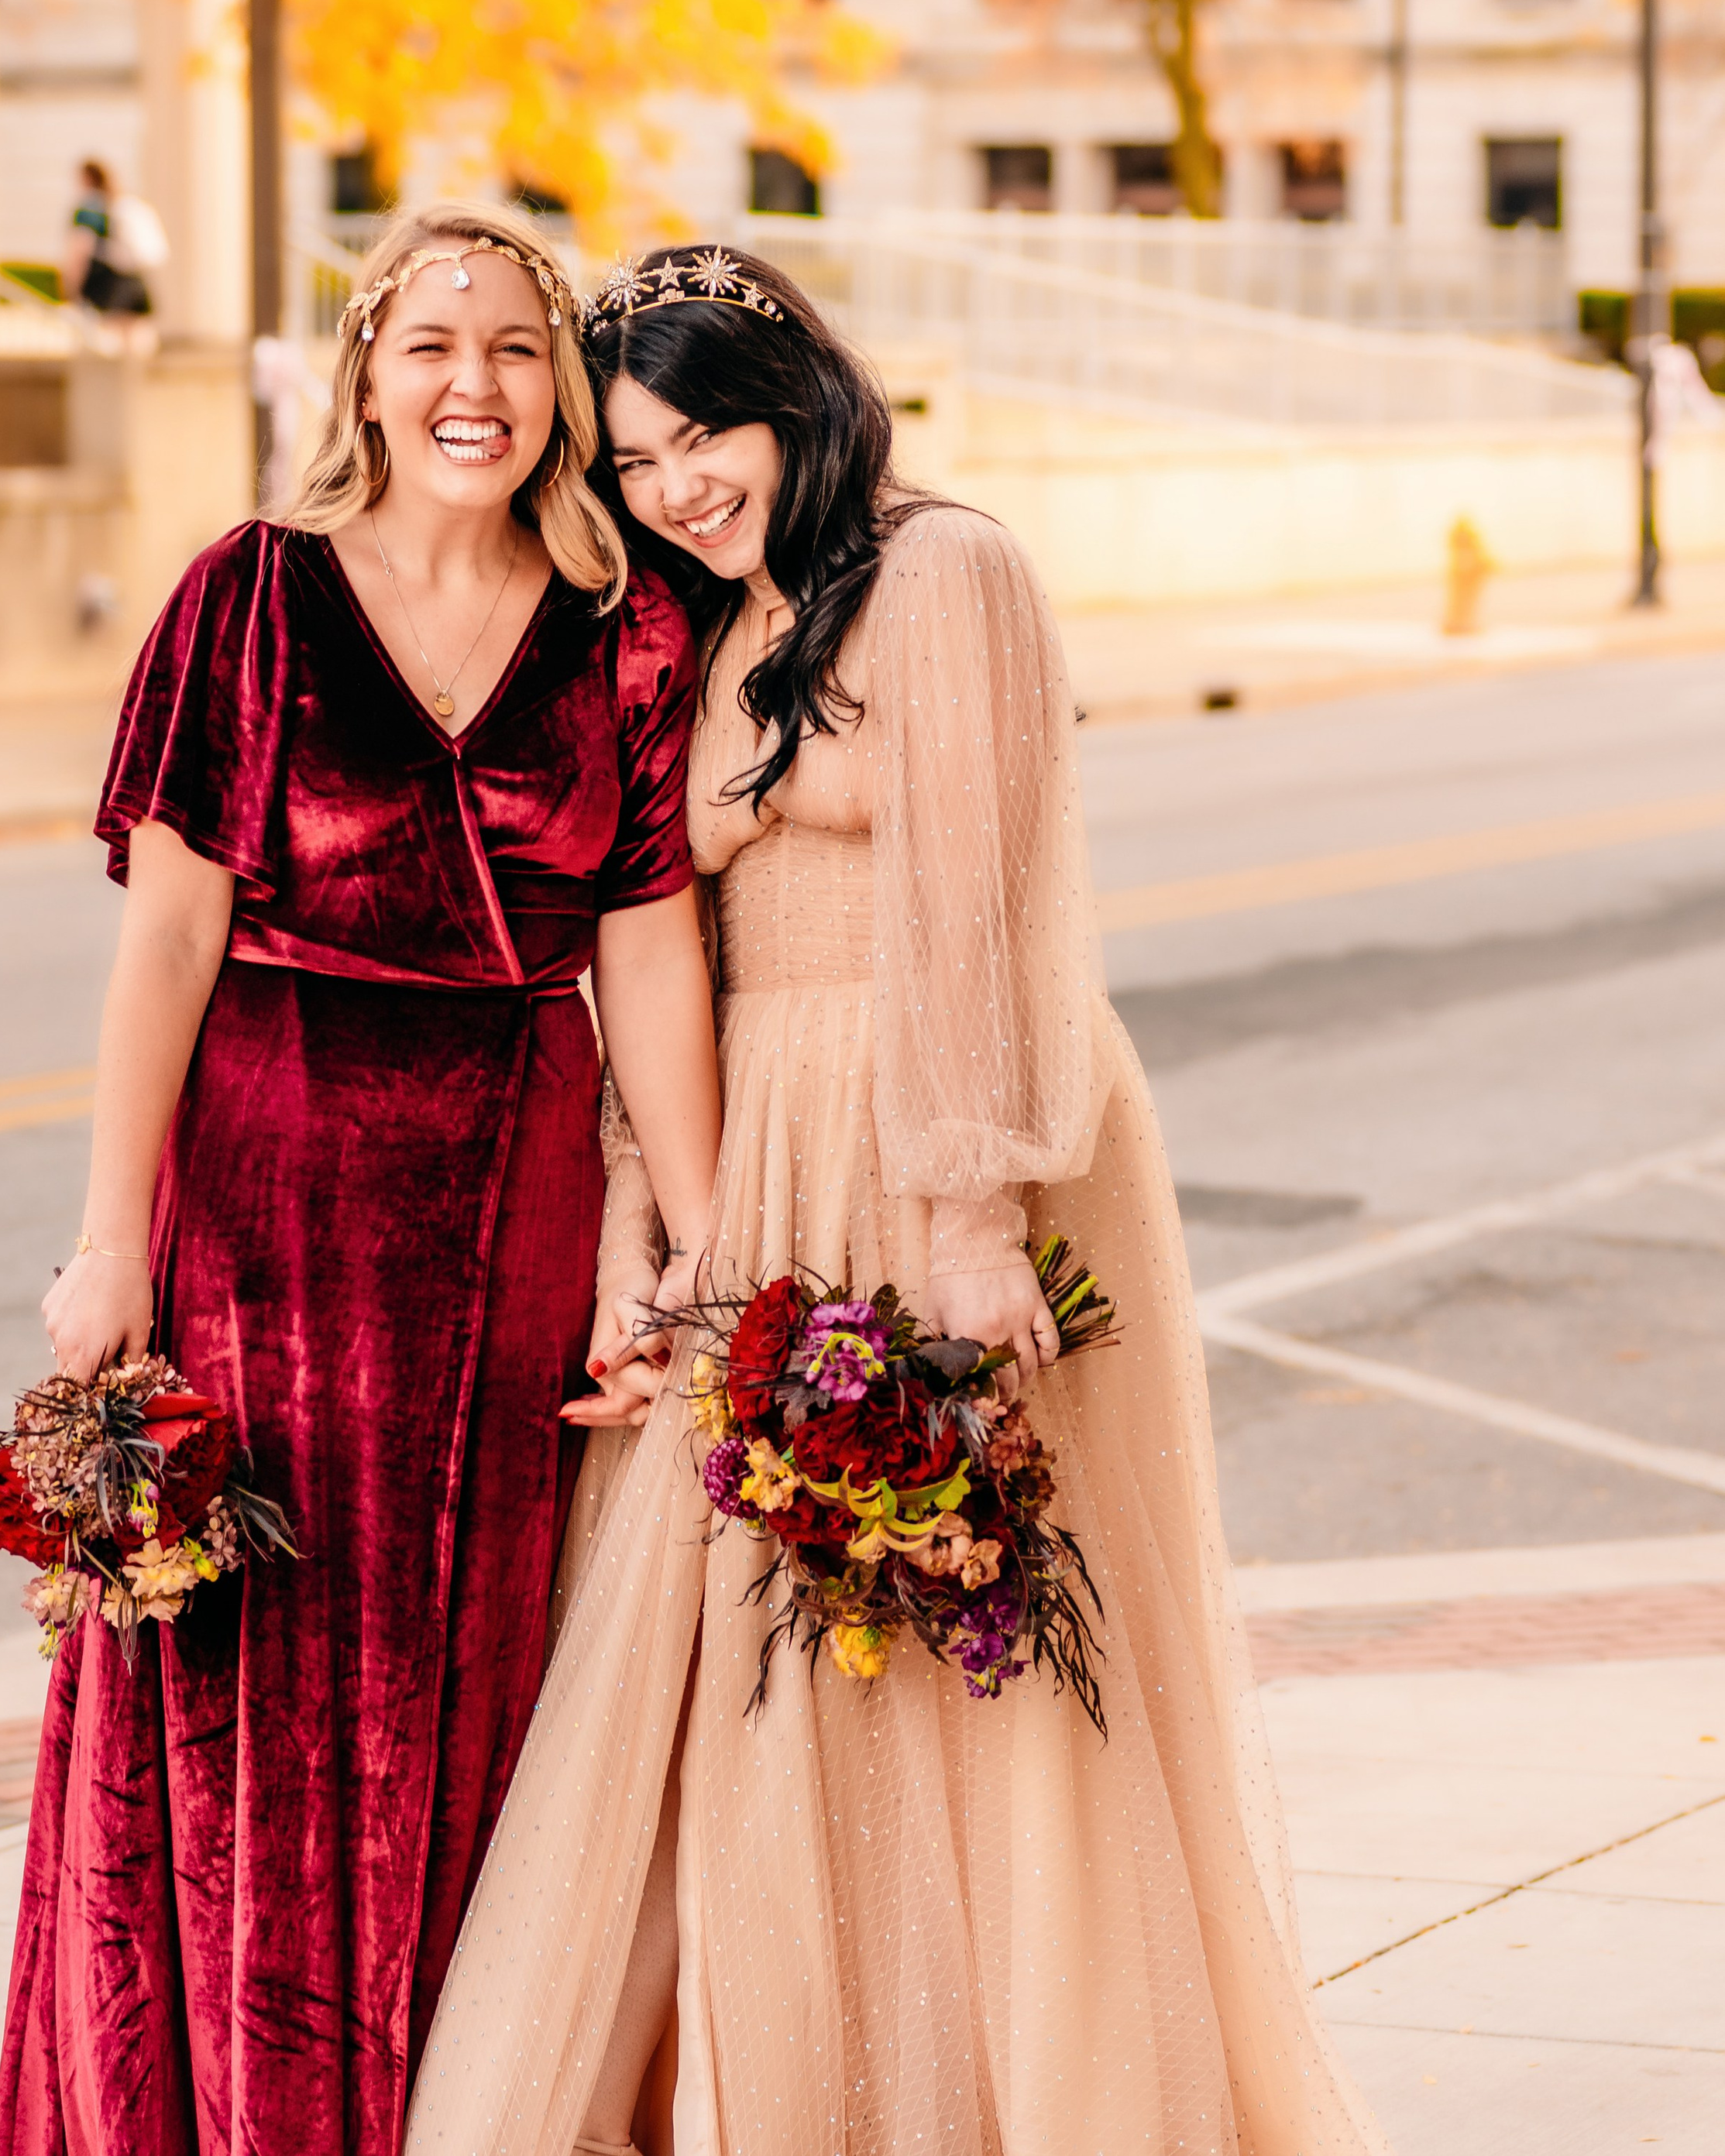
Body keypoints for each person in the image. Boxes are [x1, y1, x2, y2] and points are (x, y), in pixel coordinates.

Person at [405, 246, 1385, 2156]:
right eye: (638, 457)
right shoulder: (691, 616)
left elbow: (980, 900)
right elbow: (648, 953)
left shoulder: (944, 570)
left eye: (707, 432)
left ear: (798, 396)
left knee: (962, 1621)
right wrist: (648, 1231)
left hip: (941, 1116)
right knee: (727, 1647)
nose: (676, 481)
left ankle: (1022, 2089)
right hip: (753, 1130)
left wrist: (963, 1211)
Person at [0, 204, 721, 2156]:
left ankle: (446, 2108)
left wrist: (703, 1255)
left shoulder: (626, 622)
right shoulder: (247, 593)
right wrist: (108, 1240)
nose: (469, 382)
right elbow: (163, 943)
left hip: (506, 1195)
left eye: (510, 346)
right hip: (259, 1191)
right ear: (363, 373)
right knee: (242, 1667)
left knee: (473, 1671)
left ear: (558, 387)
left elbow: (646, 944)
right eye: (429, 343)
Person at [62, 156, 166, 324]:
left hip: (109, 281)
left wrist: (71, 288)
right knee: (136, 331)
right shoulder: (122, 203)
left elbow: (81, 248)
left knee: (111, 333)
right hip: (135, 279)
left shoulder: (90, 209)